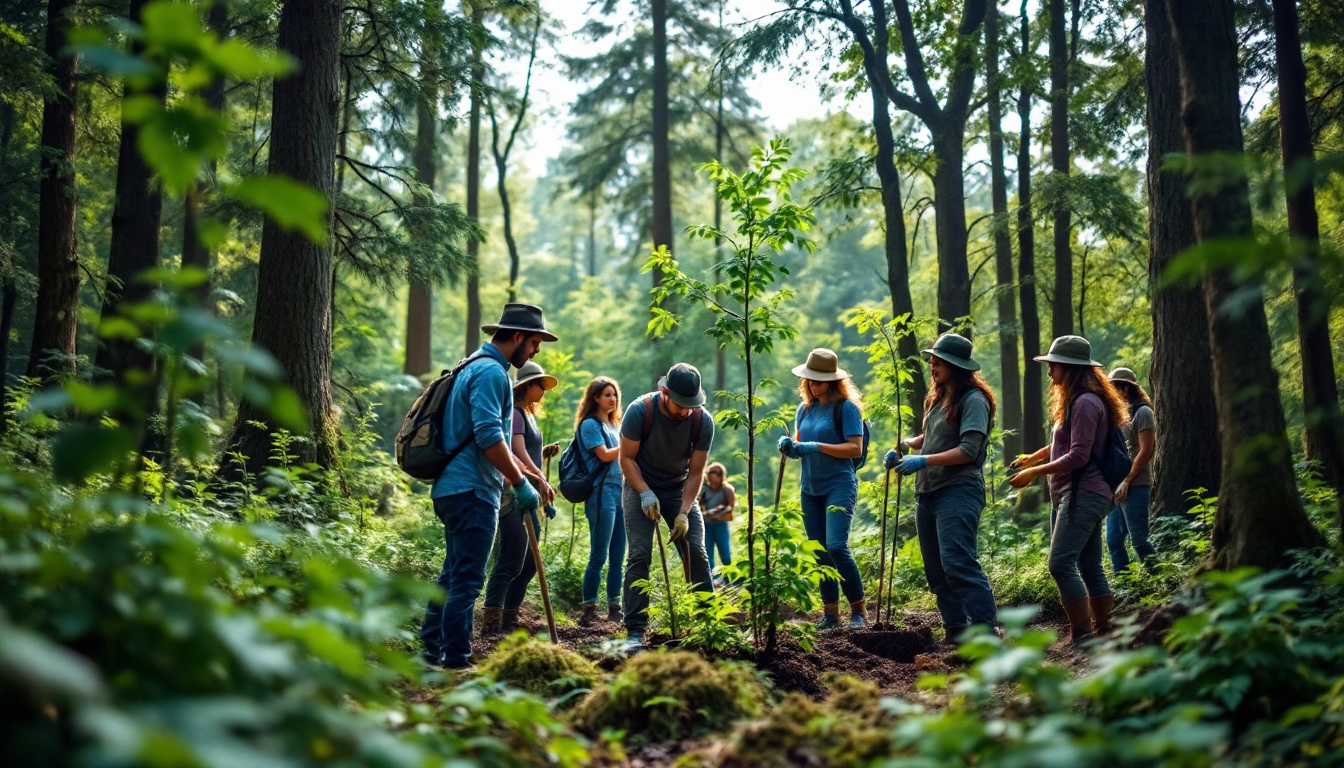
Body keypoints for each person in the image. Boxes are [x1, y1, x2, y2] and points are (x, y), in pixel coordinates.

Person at [419, 303, 556, 669]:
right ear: (517, 337)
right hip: (472, 490)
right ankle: (456, 660)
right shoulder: (492, 373)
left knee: (452, 573)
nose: (536, 351)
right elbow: (489, 435)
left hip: (451, 487)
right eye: (534, 342)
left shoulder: (469, 366)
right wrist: (519, 483)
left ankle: (431, 651)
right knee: (467, 579)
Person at [1008, 335, 1128, 645]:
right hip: (1073, 495)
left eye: (1054, 366)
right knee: (1088, 564)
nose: (1049, 372)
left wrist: (1035, 472)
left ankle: (1083, 637)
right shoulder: (1078, 400)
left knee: (1060, 564)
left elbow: (1078, 456)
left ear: (1070, 368)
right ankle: (1103, 629)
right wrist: (1034, 457)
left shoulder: (1086, 402)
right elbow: (1066, 442)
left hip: (1083, 494)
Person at [883, 333, 998, 644]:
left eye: (938, 360)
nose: (931, 364)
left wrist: (922, 462)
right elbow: (930, 437)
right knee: (936, 571)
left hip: (958, 490)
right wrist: (906, 445)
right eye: (932, 359)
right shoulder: (938, 398)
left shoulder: (973, 400)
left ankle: (987, 634)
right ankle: (956, 632)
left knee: (958, 564)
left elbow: (968, 450)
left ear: (956, 366)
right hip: (929, 494)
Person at [620, 363, 716, 648]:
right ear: (664, 392)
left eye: (691, 405)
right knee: (639, 554)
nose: (685, 411)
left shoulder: (702, 421)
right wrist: (645, 493)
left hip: (678, 487)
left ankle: (708, 626)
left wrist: (684, 512)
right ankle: (635, 630)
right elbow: (626, 459)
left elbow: (697, 472)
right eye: (680, 404)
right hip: (640, 484)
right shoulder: (639, 411)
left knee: (696, 552)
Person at [778, 348, 867, 630]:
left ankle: (859, 612)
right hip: (810, 489)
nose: (813, 385)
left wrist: (815, 446)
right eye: (809, 380)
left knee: (837, 547)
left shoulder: (846, 408)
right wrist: (790, 447)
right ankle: (831, 615)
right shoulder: (804, 409)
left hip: (839, 484)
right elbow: (800, 447)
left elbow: (855, 448)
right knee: (819, 552)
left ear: (832, 381)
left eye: (818, 380)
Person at [481, 361, 559, 636]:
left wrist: (543, 458)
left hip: (527, 493)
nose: (544, 390)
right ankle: (491, 622)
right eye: (541, 385)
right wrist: (540, 479)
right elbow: (518, 452)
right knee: (512, 559)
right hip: (513, 493)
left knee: (526, 564)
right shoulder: (514, 412)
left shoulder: (527, 414)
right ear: (527, 386)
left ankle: (509, 618)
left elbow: (530, 451)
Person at [575, 376, 626, 626]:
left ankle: (615, 607)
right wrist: (628, 444)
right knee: (599, 554)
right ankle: (589, 608)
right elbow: (605, 456)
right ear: (595, 397)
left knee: (619, 555)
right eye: (607, 394)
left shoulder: (615, 427)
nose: (612, 399)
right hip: (601, 492)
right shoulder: (590, 425)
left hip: (621, 492)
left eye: (614, 394)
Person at [1105, 367, 1157, 574]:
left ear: (1125, 389)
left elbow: (1146, 451)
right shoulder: (1117, 417)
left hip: (1135, 485)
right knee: (1114, 541)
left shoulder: (1143, 412)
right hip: (1116, 488)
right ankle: (1125, 586)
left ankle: (1158, 578)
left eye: (1114, 388)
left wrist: (1127, 480)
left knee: (1139, 540)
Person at [699, 462, 737, 575]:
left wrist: (717, 514)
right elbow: (700, 505)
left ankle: (729, 579)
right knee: (707, 555)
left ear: (720, 475)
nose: (709, 475)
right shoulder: (705, 490)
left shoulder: (727, 489)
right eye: (708, 472)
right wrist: (705, 512)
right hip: (706, 525)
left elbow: (731, 506)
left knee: (725, 554)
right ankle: (711, 580)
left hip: (721, 525)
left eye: (713, 472)